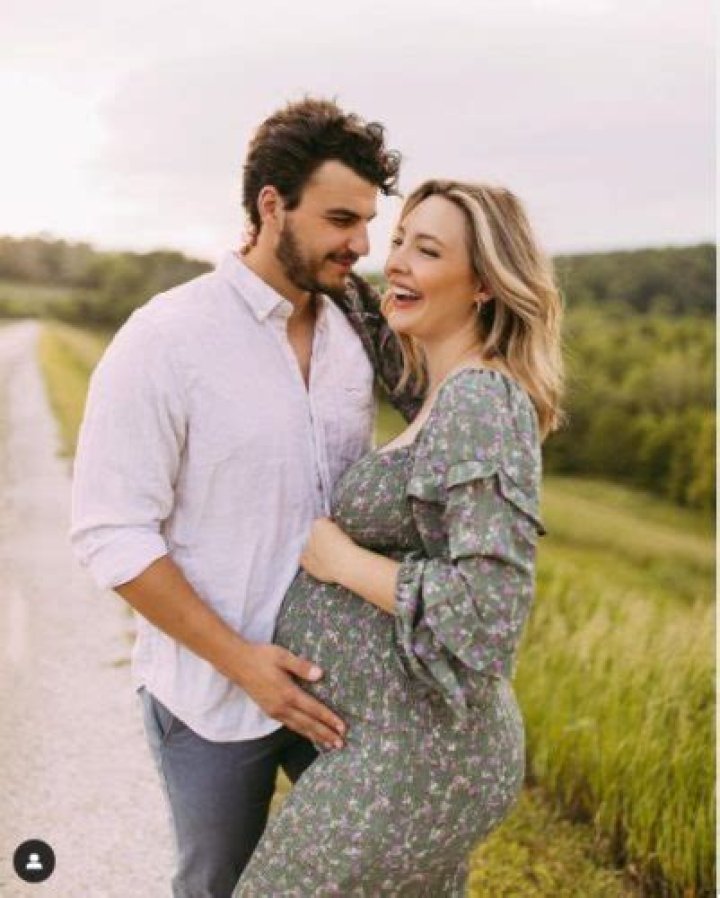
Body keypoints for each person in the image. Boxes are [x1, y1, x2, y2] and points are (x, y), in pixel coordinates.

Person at [69, 97, 400, 898]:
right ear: (270, 205)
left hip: (341, 687)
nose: (360, 244)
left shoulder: (357, 330)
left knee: (376, 877)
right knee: (218, 884)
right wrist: (243, 664)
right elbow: (112, 532)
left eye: (367, 222)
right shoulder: (166, 339)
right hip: (211, 696)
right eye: (340, 220)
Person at [234, 179, 564, 897]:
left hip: (416, 757)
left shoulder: (480, 398)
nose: (398, 262)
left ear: (484, 283)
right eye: (400, 241)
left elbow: (489, 610)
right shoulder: (441, 391)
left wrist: (343, 562)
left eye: (429, 250)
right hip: (400, 744)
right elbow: (359, 298)